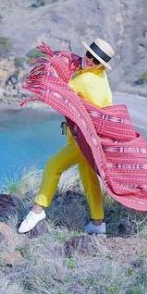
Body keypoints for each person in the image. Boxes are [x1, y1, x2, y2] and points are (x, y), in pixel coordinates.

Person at [18, 37, 115, 235]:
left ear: (102, 65)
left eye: (96, 60)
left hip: (85, 140)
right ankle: (98, 223)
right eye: (89, 55)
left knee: (53, 166)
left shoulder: (86, 81)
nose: (89, 60)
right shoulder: (98, 76)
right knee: (88, 177)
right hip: (84, 137)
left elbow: (59, 87)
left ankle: (37, 210)